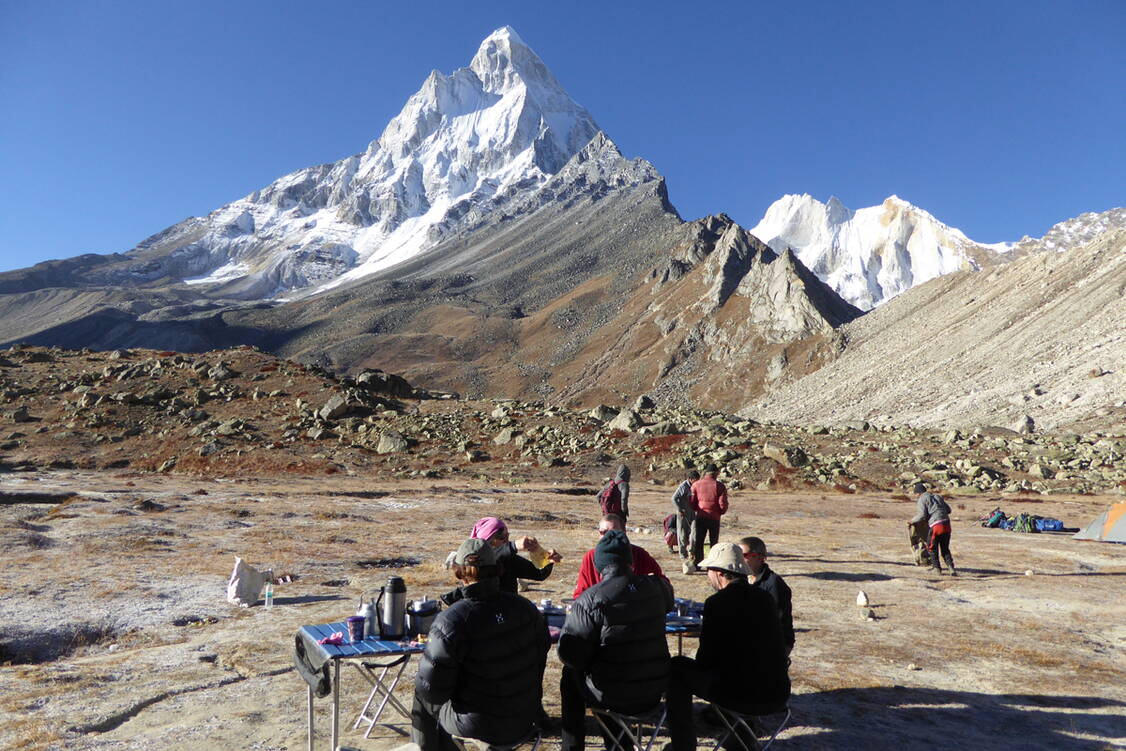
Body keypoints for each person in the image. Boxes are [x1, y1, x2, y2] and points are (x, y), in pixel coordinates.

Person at [412, 538, 550, 751]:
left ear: (459, 572)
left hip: (479, 724)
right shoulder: (526, 609)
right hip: (525, 717)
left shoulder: (451, 621)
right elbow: (541, 655)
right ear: (498, 569)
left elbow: (433, 691)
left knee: (423, 697)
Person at [667, 543, 791, 751]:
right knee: (737, 673)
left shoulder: (718, 603)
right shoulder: (765, 598)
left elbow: (705, 660)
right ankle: (739, 739)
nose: (708, 575)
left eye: (708, 570)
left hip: (744, 696)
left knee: (676, 669)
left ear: (718, 573)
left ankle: (683, 746)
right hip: (777, 692)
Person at [559, 530, 674, 751]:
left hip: (614, 694)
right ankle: (620, 745)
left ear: (599, 565)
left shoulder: (590, 599)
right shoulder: (658, 588)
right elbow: (667, 601)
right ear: (630, 561)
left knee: (572, 677)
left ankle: (572, 747)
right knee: (611, 674)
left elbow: (571, 655)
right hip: (654, 690)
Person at [441, 517, 562, 605]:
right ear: (487, 539)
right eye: (502, 537)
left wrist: (547, 560)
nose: (506, 540)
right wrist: (513, 546)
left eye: (508, 536)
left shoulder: (508, 558)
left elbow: (538, 574)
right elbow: (489, 557)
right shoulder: (468, 558)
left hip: (507, 611)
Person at [572, 513, 666, 598]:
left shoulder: (639, 554)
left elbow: (663, 586)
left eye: (613, 532)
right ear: (598, 534)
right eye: (603, 532)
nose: (607, 537)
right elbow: (579, 595)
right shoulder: (590, 557)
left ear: (624, 533)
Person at [739, 536, 794, 655]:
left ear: (759, 557)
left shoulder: (773, 583)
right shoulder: (742, 579)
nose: (739, 559)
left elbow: (773, 620)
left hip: (775, 643)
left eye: (744, 555)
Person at [910, 482, 956, 576]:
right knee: (945, 548)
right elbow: (948, 510)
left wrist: (912, 521)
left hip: (936, 525)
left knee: (932, 547)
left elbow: (922, 515)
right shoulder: (937, 497)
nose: (916, 496)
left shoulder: (922, 499)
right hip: (946, 524)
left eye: (916, 494)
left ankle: (937, 568)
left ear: (918, 493)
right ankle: (951, 568)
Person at [690, 464, 728, 570]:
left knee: (699, 541)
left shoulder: (696, 484)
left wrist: (696, 509)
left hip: (701, 516)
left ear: (706, 473)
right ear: (716, 473)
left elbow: (692, 502)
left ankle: (698, 563)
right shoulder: (720, 486)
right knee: (714, 542)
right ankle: (712, 565)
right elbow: (723, 503)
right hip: (714, 518)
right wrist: (721, 512)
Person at [672, 469, 700, 574]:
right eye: (695, 480)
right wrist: (679, 509)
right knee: (682, 533)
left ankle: (692, 551)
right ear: (690, 479)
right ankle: (682, 553)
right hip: (682, 513)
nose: (697, 482)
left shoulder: (696, 486)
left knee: (694, 532)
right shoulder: (683, 486)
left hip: (693, 513)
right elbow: (674, 498)